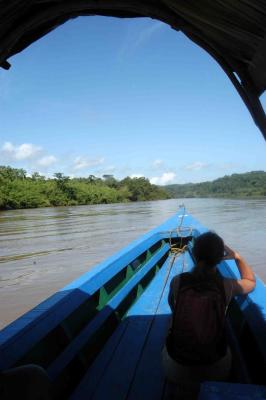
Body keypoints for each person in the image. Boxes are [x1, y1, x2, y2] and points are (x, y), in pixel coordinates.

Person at [162, 231, 256, 399]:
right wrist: (238, 257)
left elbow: (172, 307)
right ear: (220, 259)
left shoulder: (178, 281)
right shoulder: (227, 286)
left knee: (170, 323)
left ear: (195, 254)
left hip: (176, 370)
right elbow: (250, 282)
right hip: (216, 370)